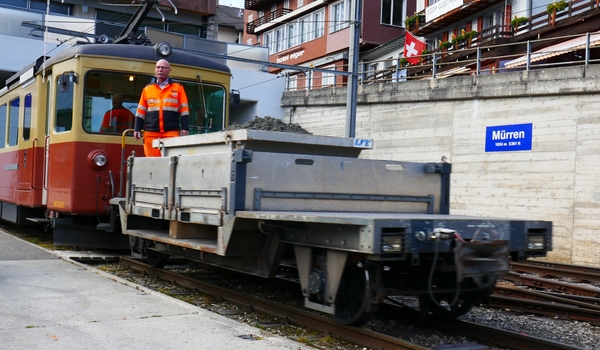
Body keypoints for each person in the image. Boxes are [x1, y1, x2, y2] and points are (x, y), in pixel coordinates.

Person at [134, 59, 190, 157]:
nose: (160, 70)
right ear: (155, 70)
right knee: (152, 162)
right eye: (158, 67)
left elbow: (184, 110)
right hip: (151, 133)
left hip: (171, 132)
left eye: (163, 68)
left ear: (169, 70)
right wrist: (137, 129)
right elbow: (141, 111)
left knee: (172, 161)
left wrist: (185, 127)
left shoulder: (178, 87)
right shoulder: (147, 89)